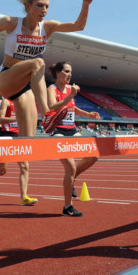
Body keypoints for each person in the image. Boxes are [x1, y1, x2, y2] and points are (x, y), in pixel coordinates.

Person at [0, 0, 97, 189]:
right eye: (40, 6)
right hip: (7, 78)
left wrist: (85, 3)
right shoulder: (10, 22)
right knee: (38, 62)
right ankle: (48, 113)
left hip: (25, 88)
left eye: (47, 7)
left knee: (27, 142)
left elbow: (79, 26)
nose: (44, 11)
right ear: (27, 5)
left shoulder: (47, 27)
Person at [48, 61, 101, 217]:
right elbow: (52, 106)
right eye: (66, 71)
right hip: (57, 131)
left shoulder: (69, 89)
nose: (70, 74)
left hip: (72, 130)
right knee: (70, 167)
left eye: (71, 72)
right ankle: (67, 207)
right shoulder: (51, 89)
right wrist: (71, 94)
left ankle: (71, 179)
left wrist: (88, 114)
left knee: (94, 155)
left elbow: (72, 108)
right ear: (57, 73)